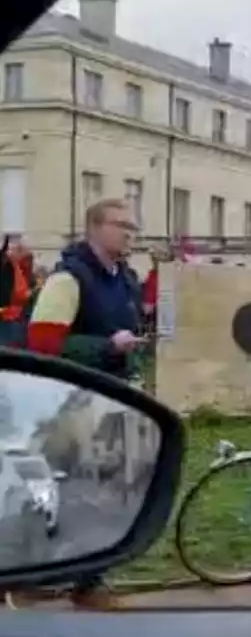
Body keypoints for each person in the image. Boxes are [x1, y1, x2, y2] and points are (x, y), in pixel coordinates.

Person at [24, 198, 146, 610]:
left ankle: (75, 577)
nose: (131, 232)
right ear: (95, 227)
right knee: (75, 493)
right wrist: (107, 345)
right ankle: (69, 581)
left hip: (113, 395)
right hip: (71, 399)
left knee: (107, 494)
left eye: (133, 225)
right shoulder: (69, 279)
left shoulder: (126, 278)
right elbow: (42, 343)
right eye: (121, 224)